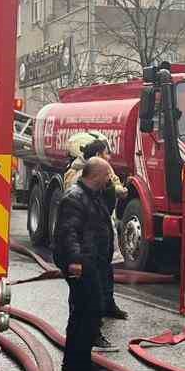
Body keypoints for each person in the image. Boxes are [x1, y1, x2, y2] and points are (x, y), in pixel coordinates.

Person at [53, 156, 116, 371]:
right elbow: (68, 232)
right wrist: (75, 261)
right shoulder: (75, 198)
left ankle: (78, 363)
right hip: (83, 264)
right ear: (96, 175)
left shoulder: (92, 196)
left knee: (88, 312)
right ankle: (77, 367)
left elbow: (106, 212)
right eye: (107, 175)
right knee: (86, 312)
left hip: (92, 262)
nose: (110, 179)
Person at [61, 131, 130, 327]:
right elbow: (70, 230)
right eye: (107, 153)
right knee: (84, 295)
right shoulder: (76, 192)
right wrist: (75, 259)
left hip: (97, 247)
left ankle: (103, 312)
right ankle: (87, 329)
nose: (110, 158)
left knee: (103, 279)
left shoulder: (99, 181)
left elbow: (106, 208)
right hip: (86, 251)